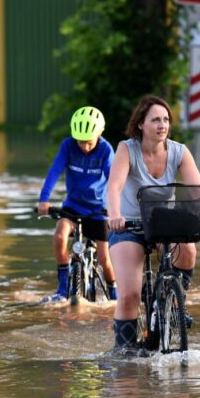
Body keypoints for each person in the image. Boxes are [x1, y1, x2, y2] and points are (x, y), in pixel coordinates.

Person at [106, 95, 200, 350]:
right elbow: (114, 187)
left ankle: (172, 303)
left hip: (164, 223)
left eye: (166, 120)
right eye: (155, 120)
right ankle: (123, 352)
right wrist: (115, 216)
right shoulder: (127, 149)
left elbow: (197, 190)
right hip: (130, 226)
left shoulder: (179, 151)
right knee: (129, 295)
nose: (162, 125)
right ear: (140, 124)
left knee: (188, 250)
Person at [38, 106, 118, 302]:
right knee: (59, 236)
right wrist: (44, 199)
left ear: (100, 133)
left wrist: (116, 209)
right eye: (80, 141)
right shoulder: (68, 146)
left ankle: (114, 292)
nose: (84, 146)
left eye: (89, 142)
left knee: (105, 258)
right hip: (72, 207)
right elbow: (54, 171)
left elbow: (113, 181)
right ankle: (63, 286)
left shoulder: (106, 150)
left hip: (99, 210)